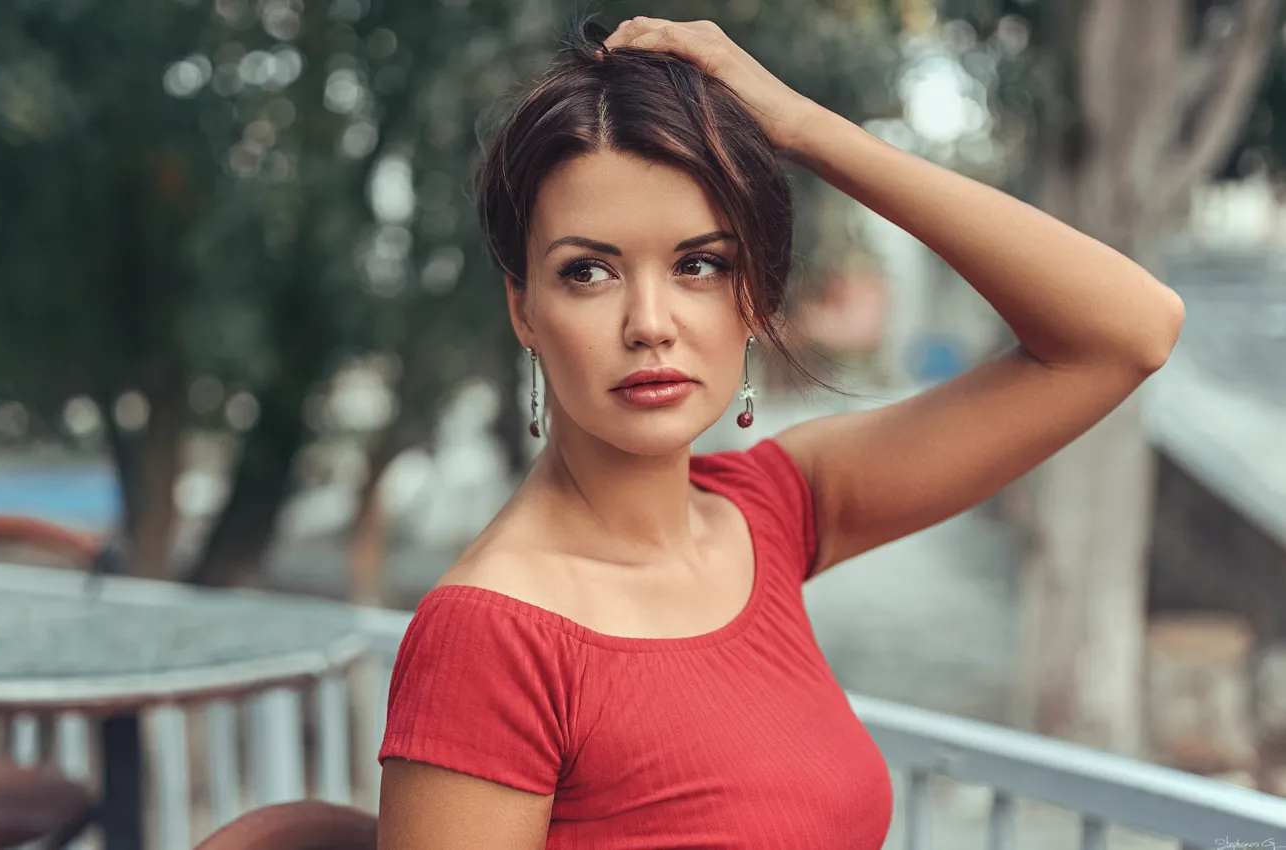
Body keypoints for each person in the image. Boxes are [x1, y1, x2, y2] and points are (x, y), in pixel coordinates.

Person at [377, 15, 1185, 850]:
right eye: (589, 272)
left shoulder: (773, 511)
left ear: (756, 297)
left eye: (701, 264)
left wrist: (804, 129)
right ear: (525, 311)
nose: (650, 324)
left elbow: (1129, 332)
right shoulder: (491, 635)